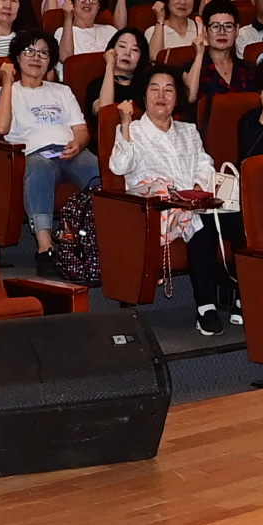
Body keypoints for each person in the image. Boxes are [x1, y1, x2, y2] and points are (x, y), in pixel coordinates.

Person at [108, 66, 221, 332]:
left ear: (177, 97)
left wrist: (197, 186)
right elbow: (119, 166)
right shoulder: (134, 130)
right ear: (143, 96)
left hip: (193, 203)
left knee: (239, 219)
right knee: (203, 224)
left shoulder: (188, 131)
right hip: (156, 211)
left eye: (169, 89)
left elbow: (205, 164)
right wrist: (125, 125)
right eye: (154, 89)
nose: (161, 95)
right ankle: (206, 306)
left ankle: (243, 298)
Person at [0, 32, 97, 259]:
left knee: (97, 169)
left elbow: (81, 130)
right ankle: (45, 246)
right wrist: (7, 83)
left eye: (43, 53)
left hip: (70, 151)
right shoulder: (3, 92)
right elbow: (0, 128)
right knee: (39, 169)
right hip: (33, 155)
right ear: (17, 57)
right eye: (29, 51)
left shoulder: (62, 91)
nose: (36, 58)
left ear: (50, 61)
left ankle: (100, 240)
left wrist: (78, 144)